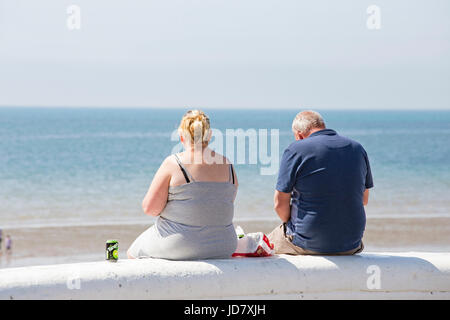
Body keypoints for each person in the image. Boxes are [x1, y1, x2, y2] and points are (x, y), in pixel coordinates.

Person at [127, 110, 238, 260]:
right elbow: (220, 204)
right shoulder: (228, 164)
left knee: (133, 252)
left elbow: (150, 209)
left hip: (182, 244)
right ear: (209, 136)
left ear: (181, 137)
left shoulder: (174, 163)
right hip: (225, 245)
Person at [268, 110, 373, 255]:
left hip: (308, 242)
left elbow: (279, 204)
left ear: (299, 134)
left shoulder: (296, 149)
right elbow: (363, 199)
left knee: (266, 245)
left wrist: (292, 224)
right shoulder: (357, 148)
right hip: (351, 244)